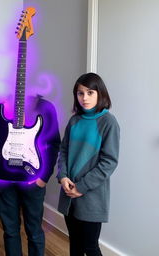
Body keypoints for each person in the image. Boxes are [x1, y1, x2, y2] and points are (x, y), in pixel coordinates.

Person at [57, 72, 120, 256]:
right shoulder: (74, 120)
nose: (84, 98)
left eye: (90, 93)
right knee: (75, 244)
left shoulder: (108, 122)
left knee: (90, 247)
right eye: (80, 93)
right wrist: (62, 177)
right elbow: (64, 150)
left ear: (100, 94)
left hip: (91, 197)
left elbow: (108, 162)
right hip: (69, 193)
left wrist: (81, 187)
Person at [0, 95, 61, 256]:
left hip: (33, 181)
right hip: (7, 179)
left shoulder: (46, 107)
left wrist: (43, 178)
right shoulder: (2, 105)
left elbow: (54, 144)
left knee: (34, 230)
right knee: (10, 229)